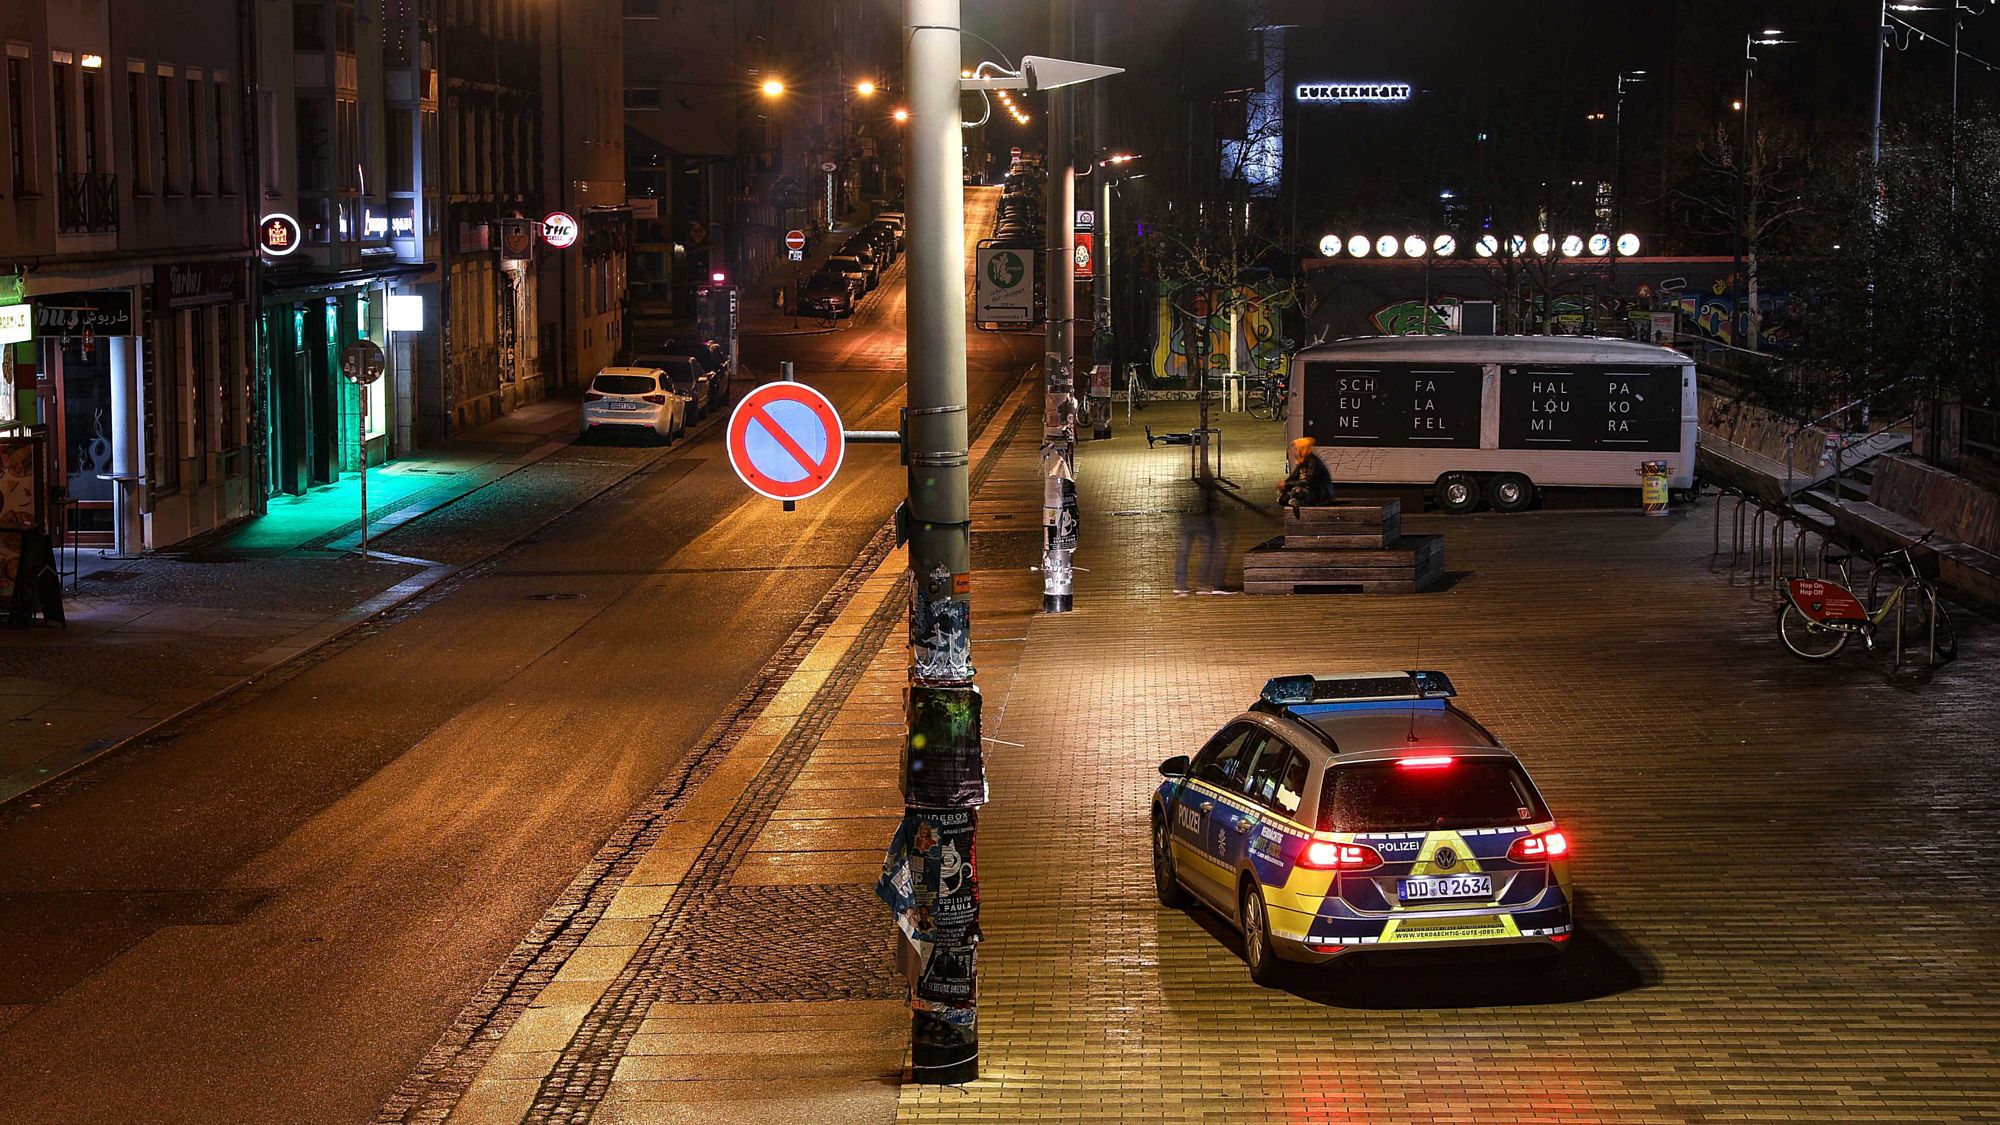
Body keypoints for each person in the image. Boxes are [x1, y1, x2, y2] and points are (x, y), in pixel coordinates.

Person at [1276, 436, 1334, 513]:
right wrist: (1284, 485)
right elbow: (1294, 477)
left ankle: (1297, 501)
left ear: (1302, 449)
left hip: (1321, 492)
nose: (1294, 452)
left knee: (1298, 491)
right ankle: (1294, 501)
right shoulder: (1302, 462)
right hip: (1311, 491)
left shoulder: (1313, 462)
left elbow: (1307, 481)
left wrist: (1287, 484)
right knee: (1284, 497)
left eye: (1296, 449)